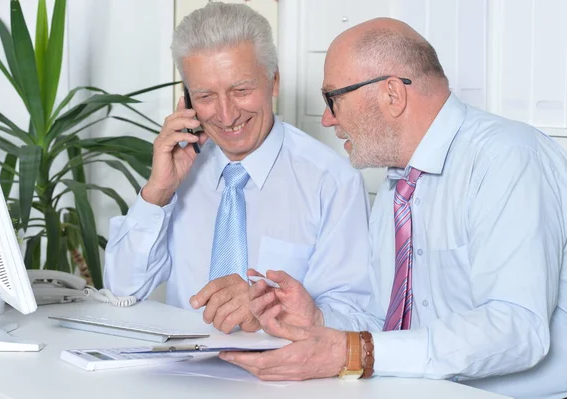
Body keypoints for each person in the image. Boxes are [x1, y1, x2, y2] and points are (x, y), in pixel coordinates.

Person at [221, 17, 567, 399]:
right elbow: (390, 325)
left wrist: (356, 352)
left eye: (333, 98)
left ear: (391, 95)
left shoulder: (508, 157)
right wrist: (316, 320)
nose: (327, 119)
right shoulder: (397, 188)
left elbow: (518, 328)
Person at [103, 2, 373, 334]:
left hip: (285, 381)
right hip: (178, 375)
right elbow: (121, 290)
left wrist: (269, 309)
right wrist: (158, 192)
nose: (227, 115)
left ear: (273, 83)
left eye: (241, 90)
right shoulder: (179, 172)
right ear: (186, 100)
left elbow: (355, 318)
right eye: (205, 96)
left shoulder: (333, 182)